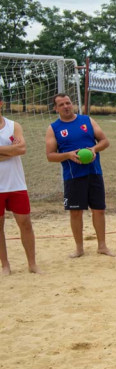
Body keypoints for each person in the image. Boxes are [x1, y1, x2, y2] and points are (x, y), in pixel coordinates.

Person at [45, 93, 114, 258]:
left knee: (99, 210)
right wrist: (68, 155)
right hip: (73, 176)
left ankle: (102, 246)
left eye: (68, 103)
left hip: (94, 173)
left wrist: (94, 149)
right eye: (61, 105)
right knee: (76, 213)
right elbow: (50, 155)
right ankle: (79, 248)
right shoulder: (54, 128)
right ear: (56, 108)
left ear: (72, 104)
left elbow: (105, 141)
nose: (66, 106)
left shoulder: (87, 121)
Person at [0, 91, 38, 275]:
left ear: (0, 103)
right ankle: (5, 265)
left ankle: (32, 264)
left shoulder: (13, 126)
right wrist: (10, 150)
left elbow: (21, 148)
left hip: (16, 184)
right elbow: (16, 149)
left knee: (25, 223)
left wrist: (6, 151)